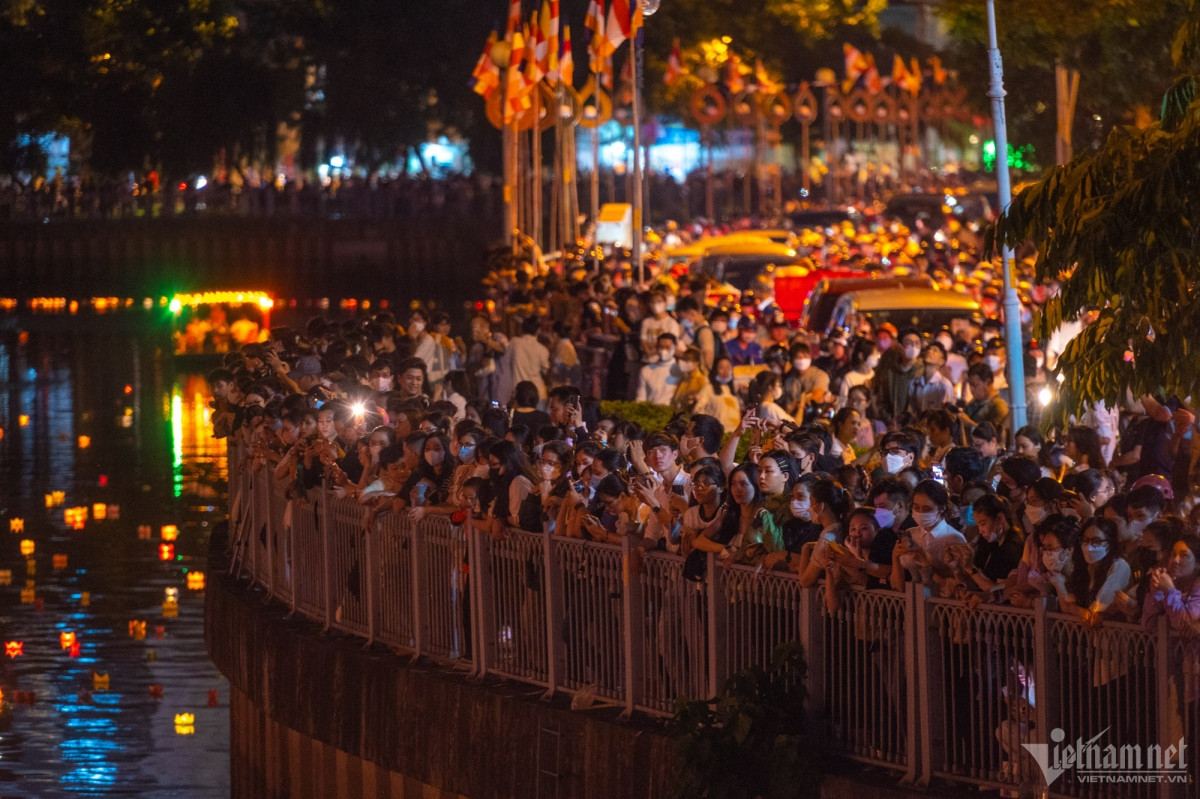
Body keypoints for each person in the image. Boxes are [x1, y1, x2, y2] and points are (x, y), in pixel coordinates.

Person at [635, 333, 684, 405]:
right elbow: (641, 398)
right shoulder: (646, 370)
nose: (663, 350)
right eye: (661, 347)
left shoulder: (681, 371)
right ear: (657, 348)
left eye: (667, 347)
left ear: (674, 348)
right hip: (652, 412)